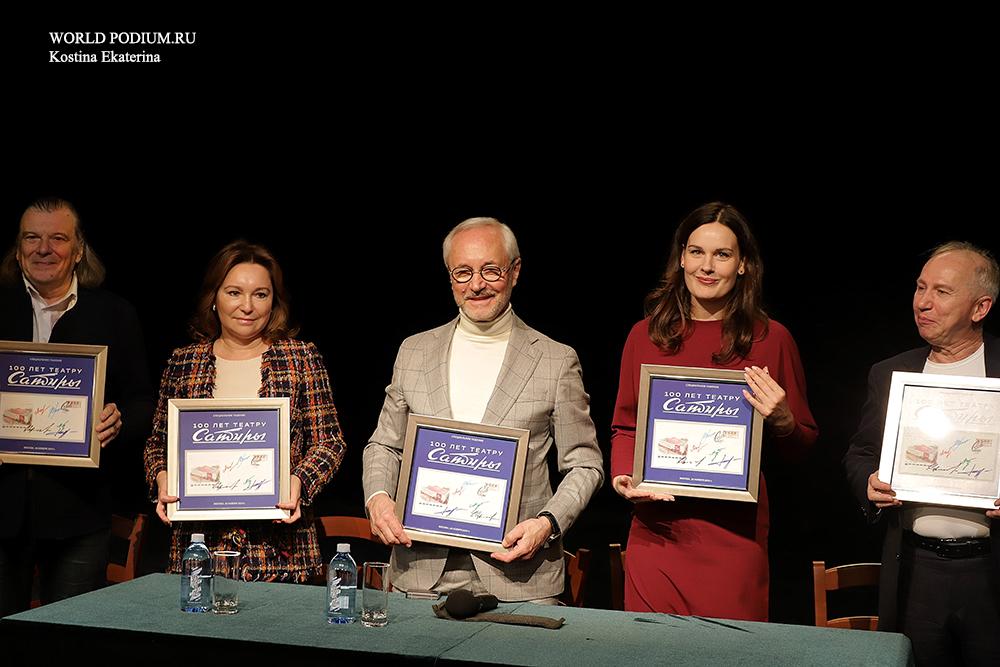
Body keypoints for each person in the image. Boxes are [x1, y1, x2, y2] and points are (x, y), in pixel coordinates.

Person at [363, 217, 604, 602]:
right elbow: (384, 446)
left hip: (520, 579)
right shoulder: (414, 352)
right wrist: (378, 498)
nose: (477, 284)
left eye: (491, 270)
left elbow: (585, 464)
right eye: (463, 272)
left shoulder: (556, 361)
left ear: (515, 271)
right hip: (420, 574)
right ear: (450, 277)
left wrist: (547, 524)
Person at [609, 202, 818, 621]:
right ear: (681, 257)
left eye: (722, 254)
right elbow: (625, 425)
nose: (707, 266)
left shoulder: (771, 339)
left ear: (743, 265)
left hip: (733, 538)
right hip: (657, 533)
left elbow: (803, 445)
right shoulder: (644, 336)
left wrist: (783, 422)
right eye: (696, 251)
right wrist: (622, 476)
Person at [143, 240, 346, 582]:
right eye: (235, 292)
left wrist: (300, 481)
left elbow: (330, 442)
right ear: (214, 298)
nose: (247, 306)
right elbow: (157, 445)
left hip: (282, 554)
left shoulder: (300, 359)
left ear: (274, 301)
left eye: (261, 294)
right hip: (200, 549)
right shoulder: (183, 363)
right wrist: (161, 477)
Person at [843, 241, 1000, 665]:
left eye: (942, 292)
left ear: (980, 308)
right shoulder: (891, 373)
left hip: (991, 572)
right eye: (920, 287)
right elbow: (859, 453)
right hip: (917, 571)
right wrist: (869, 483)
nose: (923, 302)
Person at [0, 196, 153, 615]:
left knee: (69, 636)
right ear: (18, 248)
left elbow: (143, 402)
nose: (43, 248)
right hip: (3, 510)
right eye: (32, 237)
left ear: (79, 249)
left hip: (79, 512)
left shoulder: (115, 313)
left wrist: (119, 419)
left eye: (57, 238)